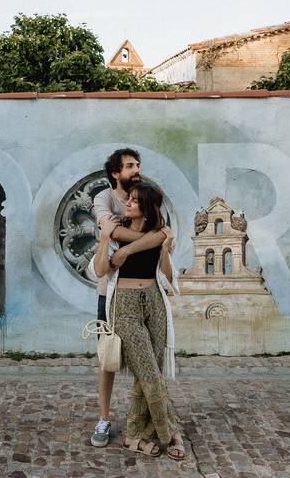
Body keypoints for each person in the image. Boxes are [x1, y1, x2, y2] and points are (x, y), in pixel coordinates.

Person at [94, 182, 185, 460]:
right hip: (126, 304)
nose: (128, 204)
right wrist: (105, 241)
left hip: (154, 301)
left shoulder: (159, 233)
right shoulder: (116, 229)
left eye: (133, 201)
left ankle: (135, 435)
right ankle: (170, 434)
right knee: (147, 371)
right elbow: (100, 269)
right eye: (128, 199)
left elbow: (167, 275)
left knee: (151, 371)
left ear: (145, 206)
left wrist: (166, 249)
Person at [89, 148, 166, 448]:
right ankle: (104, 418)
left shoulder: (146, 194)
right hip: (109, 292)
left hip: (146, 293)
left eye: (138, 165)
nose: (137, 170)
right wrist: (155, 237)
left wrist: (152, 238)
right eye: (130, 166)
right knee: (108, 358)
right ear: (115, 173)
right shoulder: (104, 199)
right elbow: (113, 232)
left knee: (147, 363)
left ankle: (146, 419)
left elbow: (161, 231)